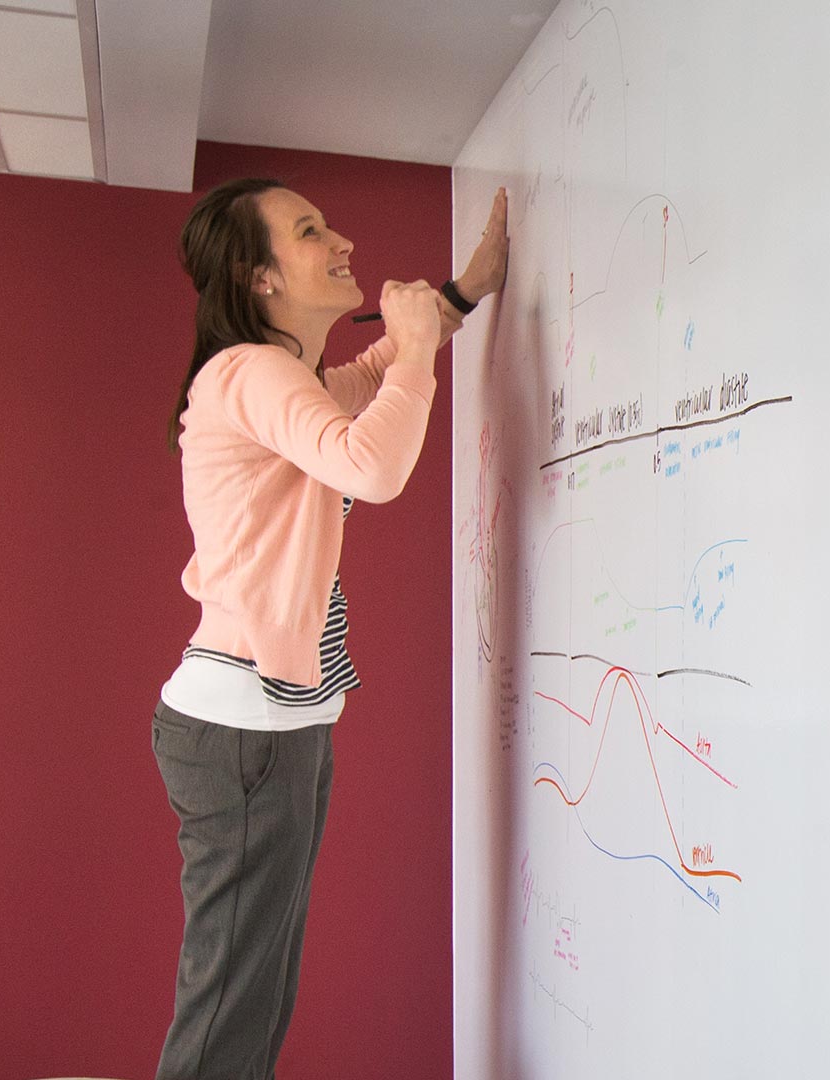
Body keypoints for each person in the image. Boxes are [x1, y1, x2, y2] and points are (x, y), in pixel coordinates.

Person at [150, 177, 507, 1080]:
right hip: (244, 730)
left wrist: (456, 297)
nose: (340, 238)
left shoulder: (287, 378)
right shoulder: (250, 372)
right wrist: (424, 344)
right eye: (308, 231)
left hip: (272, 723)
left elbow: (374, 377)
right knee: (231, 1009)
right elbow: (372, 463)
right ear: (257, 276)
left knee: (255, 996)